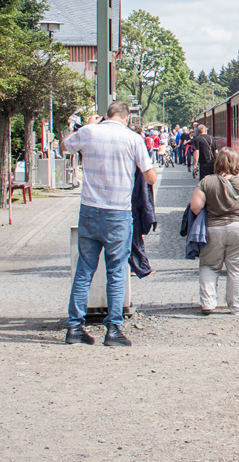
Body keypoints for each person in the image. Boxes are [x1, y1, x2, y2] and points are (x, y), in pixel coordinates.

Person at [60, 102, 157, 346]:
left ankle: (74, 327)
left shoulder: (90, 132)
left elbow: (65, 146)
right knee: (116, 272)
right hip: (118, 213)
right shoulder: (132, 138)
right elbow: (151, 176)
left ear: (106, 116)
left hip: (90, 210)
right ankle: (113, 330)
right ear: (125, 118)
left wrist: (88, 126)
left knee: (84, 270)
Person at [189, 147, 239, 315]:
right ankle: (236, 307)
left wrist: (212, 212)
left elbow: (195, 207)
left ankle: (207, 304)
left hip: (214, 228)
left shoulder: (207, 181)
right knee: (237, 268)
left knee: (209, 266)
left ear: (217, 162)